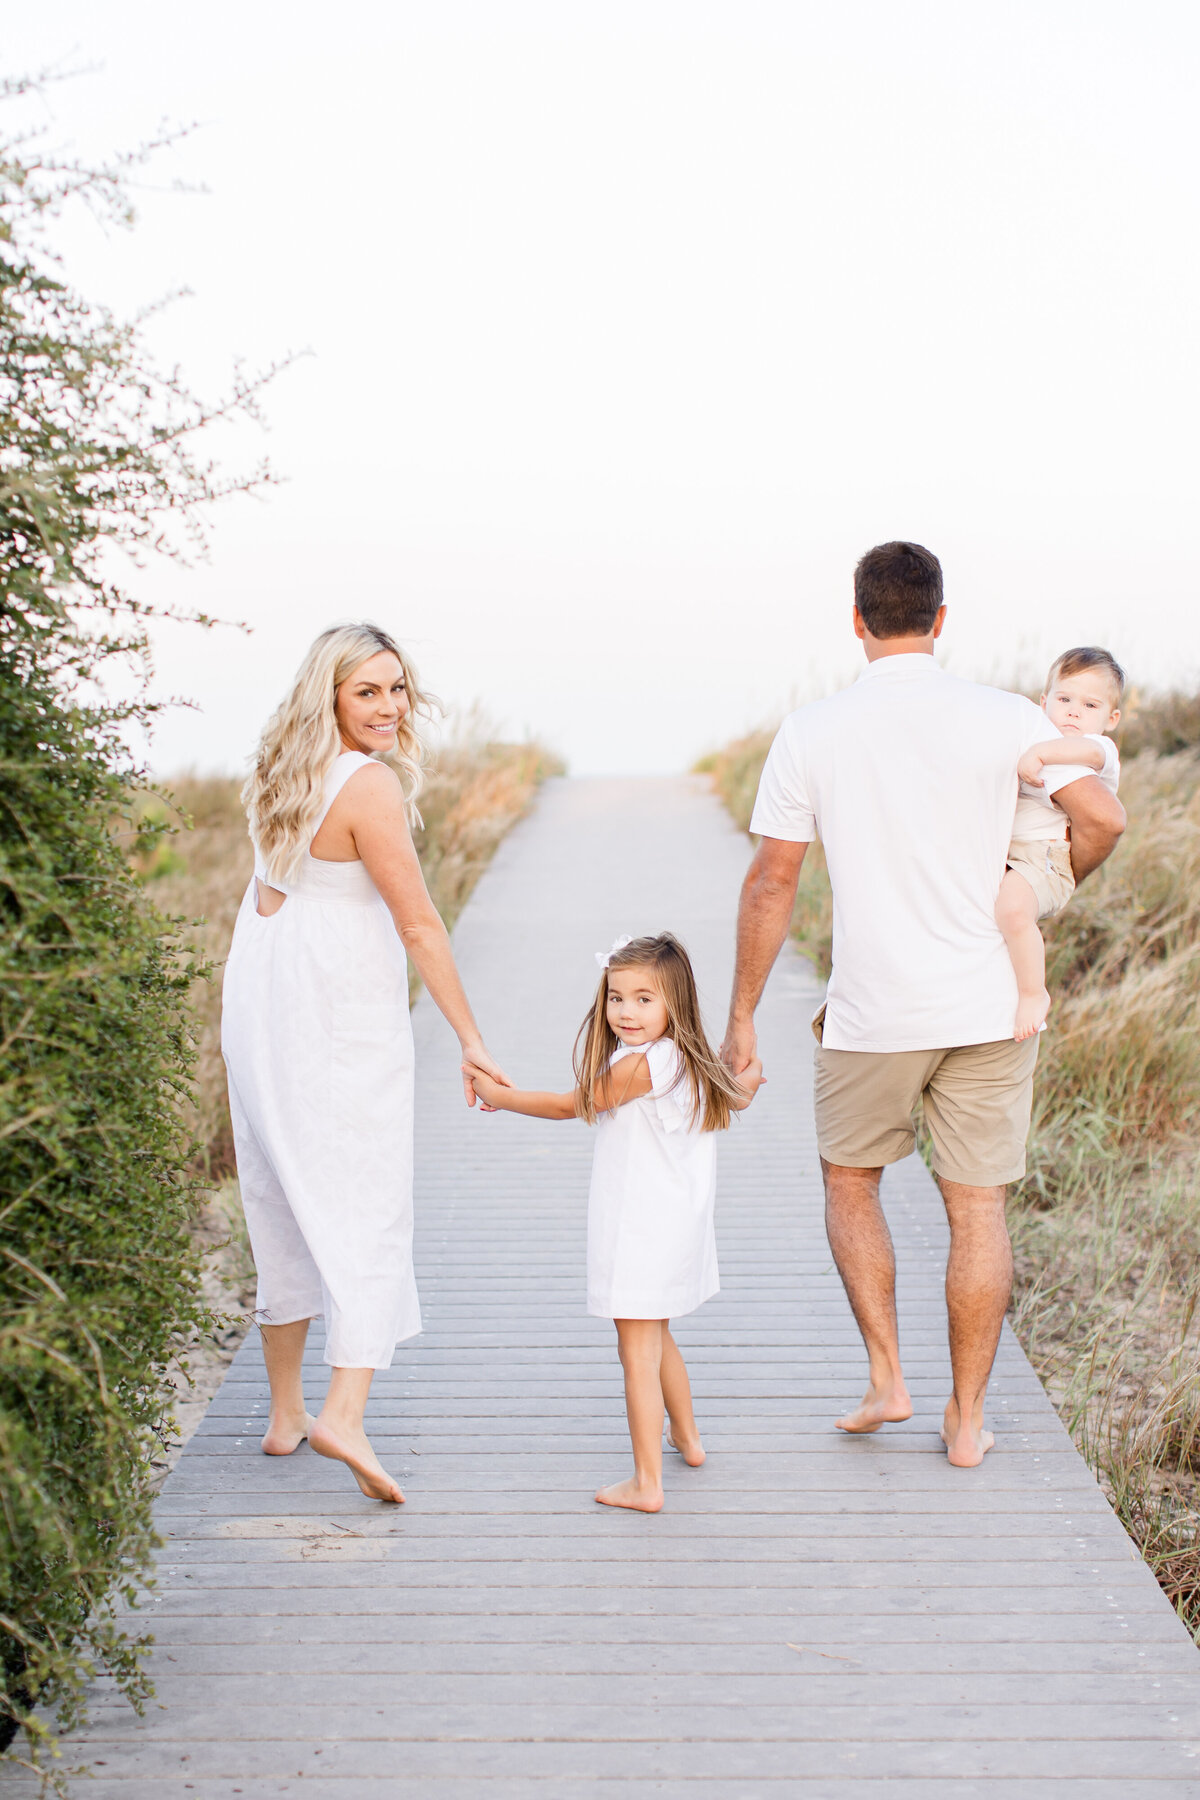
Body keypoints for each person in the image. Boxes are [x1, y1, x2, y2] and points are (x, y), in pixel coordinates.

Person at [720, 543, 1125, 1467]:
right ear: (941, 621)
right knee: (978, 1210)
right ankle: (969, 1419)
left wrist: (743, 1013)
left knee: (850, 1184)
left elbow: (771, 883)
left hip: (873, 1011)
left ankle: (887, 1378)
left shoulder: (811, 730)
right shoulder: (1010, 716)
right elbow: (1099, 818)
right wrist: (1049, 882)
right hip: (991, 1004)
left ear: (858, 621)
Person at [221, 622, 508, 1503]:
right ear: (331, 699)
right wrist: (470, 1035)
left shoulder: (281, 770)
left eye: (396, 689)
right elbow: (419, 921)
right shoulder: (368, 786)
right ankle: (341, 1411)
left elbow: (276, 894)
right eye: (367, 692)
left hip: (262, 1005)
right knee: (365, 1201)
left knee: (279, 1192)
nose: (388, 708)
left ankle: (283, 1414)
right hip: (332, 1016)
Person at [465, 932, 762, 1512]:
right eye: (616, 997)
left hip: (639, 1228)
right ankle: (690, 1440)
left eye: (644, 999)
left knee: (636, 1353)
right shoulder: (685, 1058)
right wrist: (750, 1078)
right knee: (658, 1333)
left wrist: (498, 1095)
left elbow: (568, 1104)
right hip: (672, 1225)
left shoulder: (641, 1067)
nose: (626, 1011)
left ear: (676, 1002)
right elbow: (740, 1097)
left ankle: (647, 1482)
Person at [996, 647, 1124, 1040]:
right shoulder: (1030, 734)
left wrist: (1039, 753)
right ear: (1043, 702)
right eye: (1064, 699)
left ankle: (1034, 994)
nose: (1073, 712)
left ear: (1111, 718)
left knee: (1013, 911)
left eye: (1089, 704)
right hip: (1012, 854)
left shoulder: (1099, 749)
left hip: (1045, 857)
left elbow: (1080, 750)